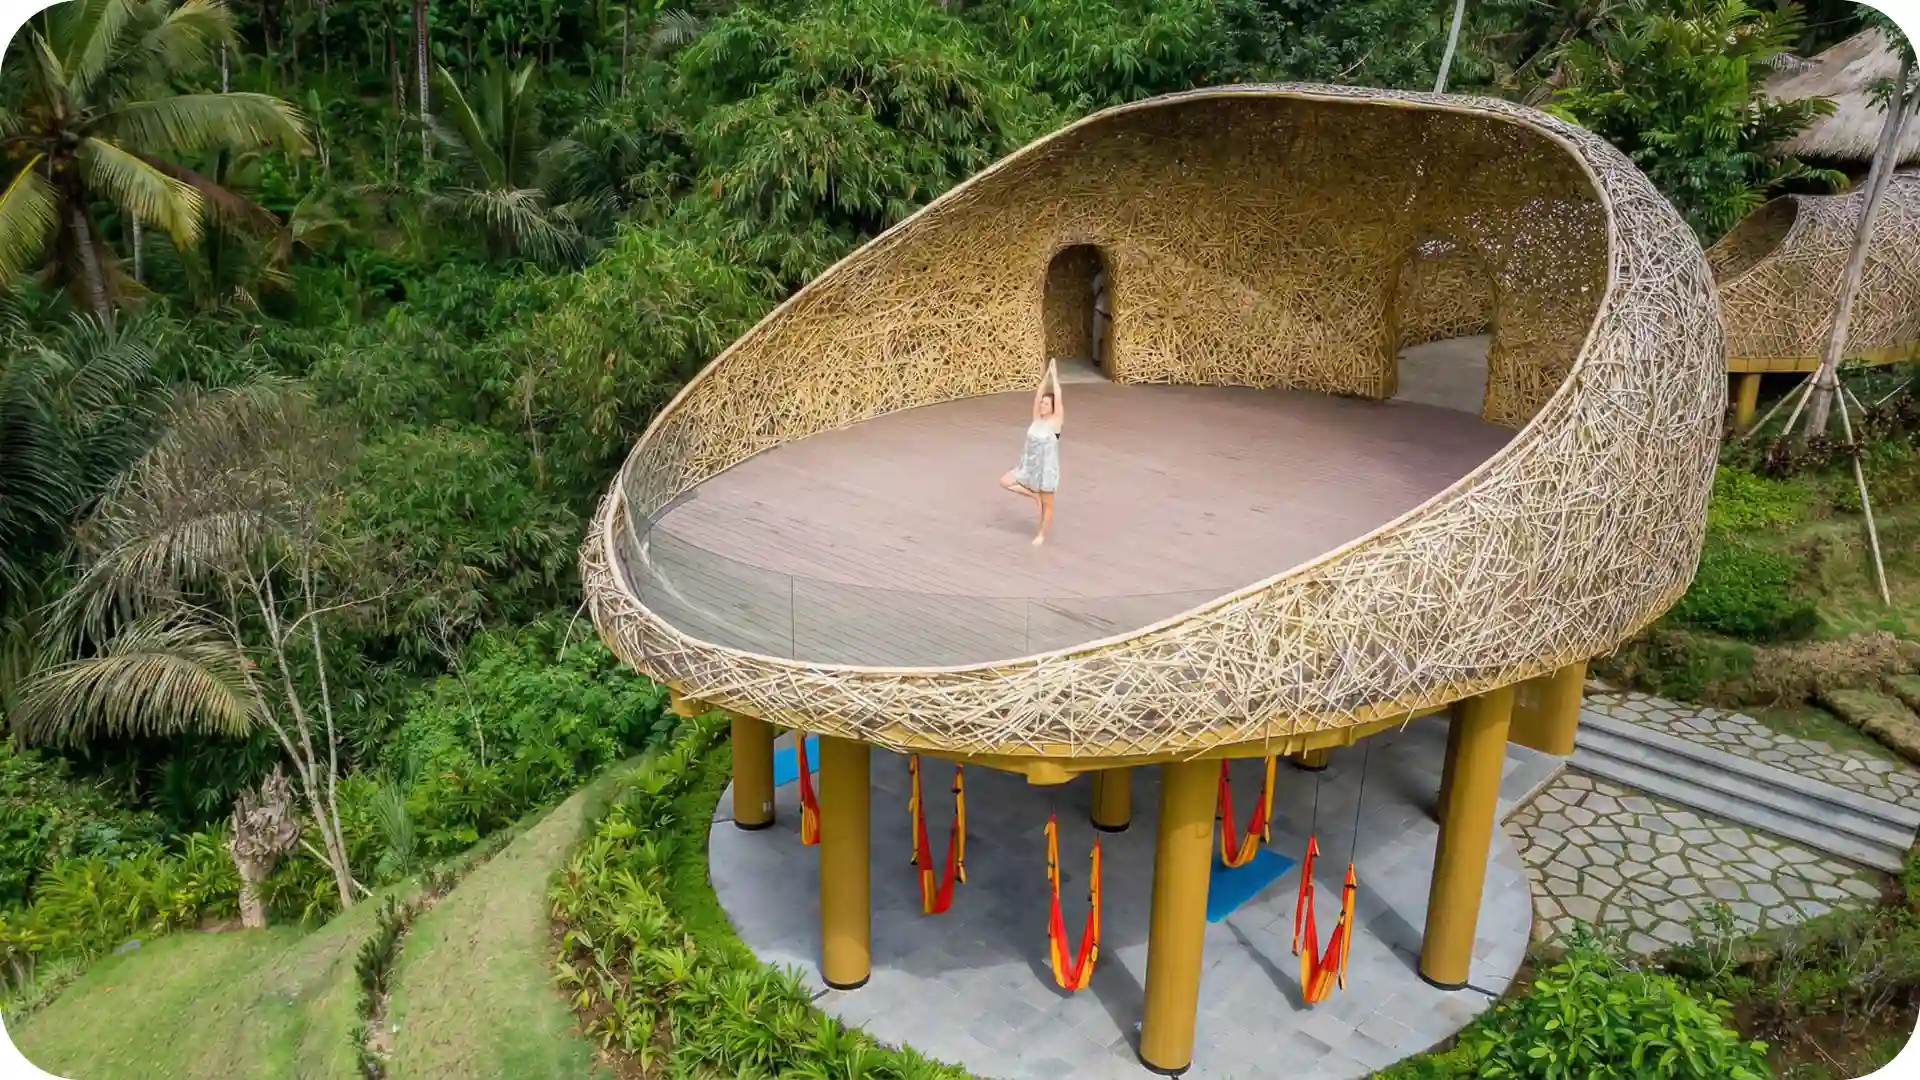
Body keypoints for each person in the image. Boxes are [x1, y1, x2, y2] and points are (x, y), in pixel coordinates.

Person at [999, 359, 1064, 545]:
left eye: (1046, 404)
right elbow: (1037, 395)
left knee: (1047, 505)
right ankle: (1032, 494)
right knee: (1004, 481)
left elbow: (1058, 398)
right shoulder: (1036, 419)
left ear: (1052, 408)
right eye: (1042, 403)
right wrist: (1045, 376)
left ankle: (1041, 535)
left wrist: (1054, 377)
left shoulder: (1055, 423)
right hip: (1028, 466)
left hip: (1046, 470)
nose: (1042, 405)